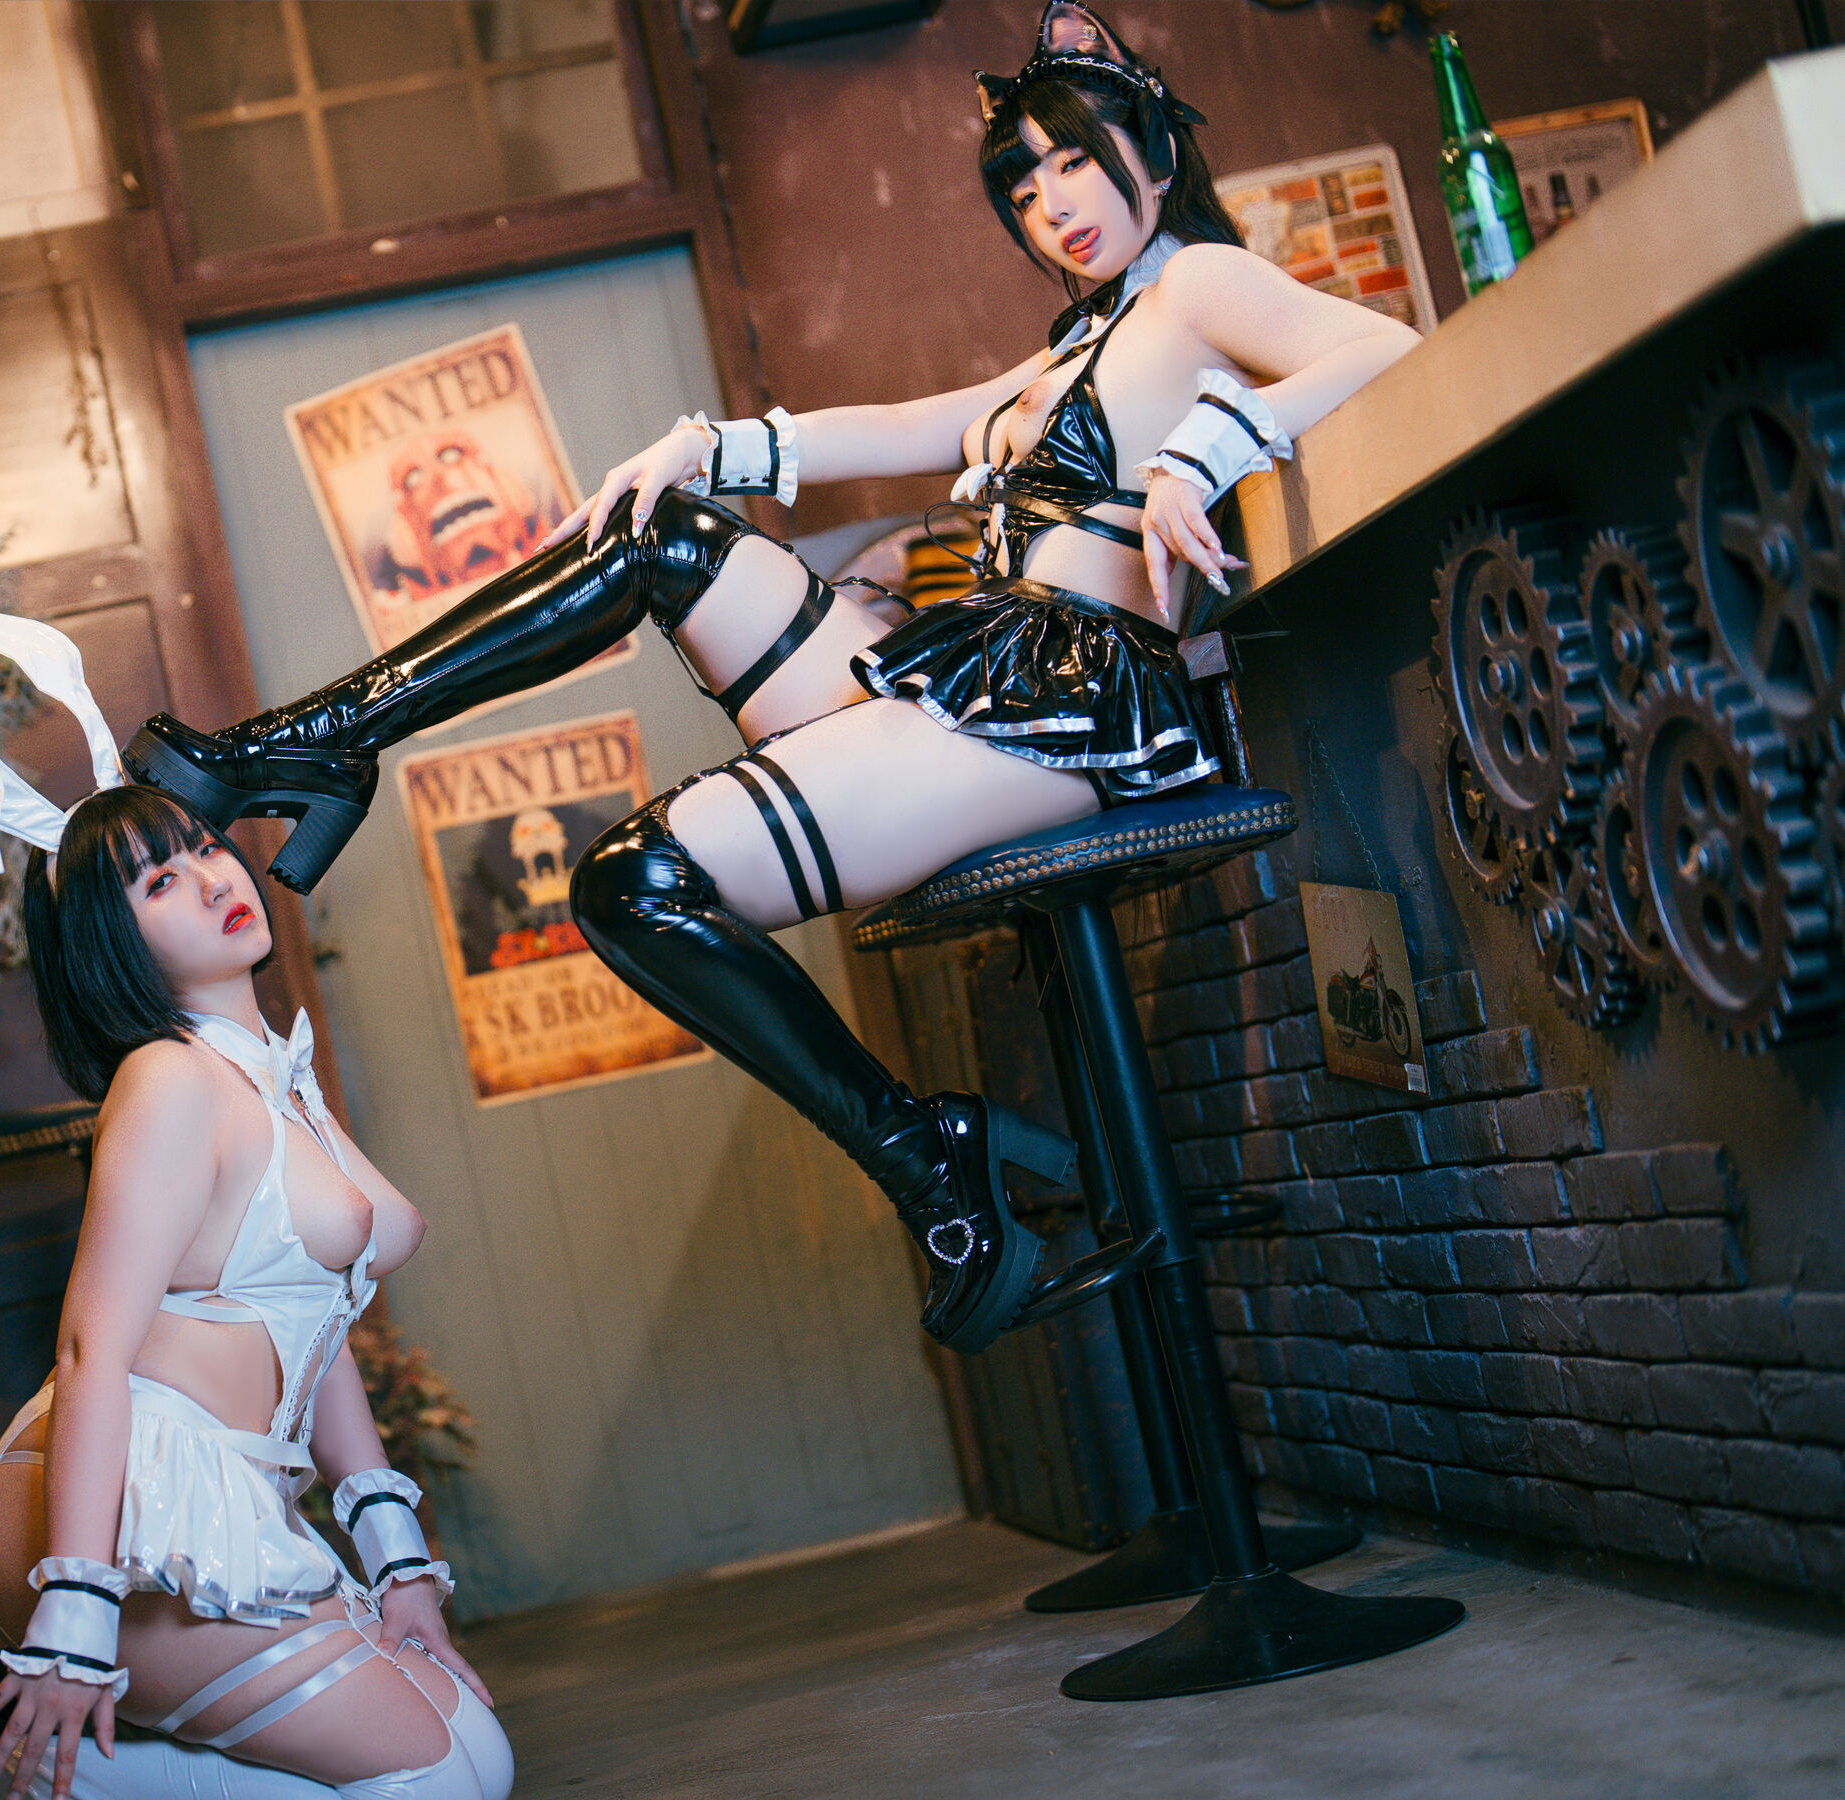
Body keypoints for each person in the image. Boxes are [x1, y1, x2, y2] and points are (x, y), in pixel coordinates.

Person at [120, 1, 1419, 1355]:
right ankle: (322, 738)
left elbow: (1380, 347)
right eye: (1024, 185)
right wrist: (702, 446)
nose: (1053, 204)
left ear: (1152, 144)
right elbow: (909, 426)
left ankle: (932, 1166)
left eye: (1075, 161)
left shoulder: (1198, 287)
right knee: (660, 533)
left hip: (1078, 704)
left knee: (635, 883)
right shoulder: (1068, 349)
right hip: (987, 673)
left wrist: (1218, 443)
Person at [0, 602, 511, 1800]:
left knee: (473, 1751)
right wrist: (74, 1616)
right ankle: (7, 1776)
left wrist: (398, 1558)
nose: (210, 878)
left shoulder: (275, 1073)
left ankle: (58, 1779)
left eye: (203, 847)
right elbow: (91, 1349)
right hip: (112, 1506)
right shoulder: (169, 1080)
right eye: (159, 881)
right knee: (440, 1785)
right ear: (112, 943)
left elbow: (311, 1321)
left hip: (226, 1495)